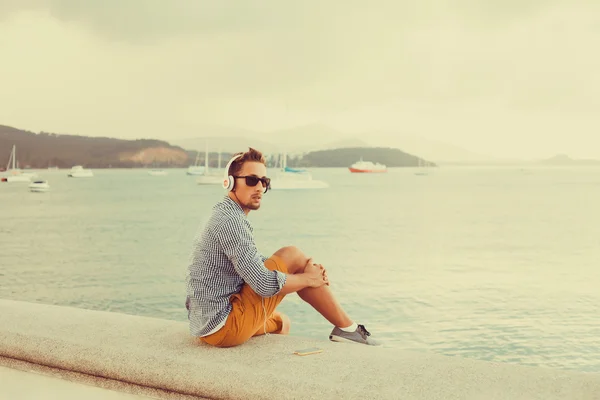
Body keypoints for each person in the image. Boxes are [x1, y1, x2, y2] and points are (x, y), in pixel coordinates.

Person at [185, 147, 378, 347]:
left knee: (282, 323)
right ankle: (348, 330)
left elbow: (249, 261)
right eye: (252, 180)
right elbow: (263, 284)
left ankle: (344, 328)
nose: (259, 187)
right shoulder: (231, 221)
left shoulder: (222, 213)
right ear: (230, 182)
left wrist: (307, 274)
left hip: (206, 326)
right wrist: (308, 278)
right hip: (224, 325)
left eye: (264, 182)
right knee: (292, 255)